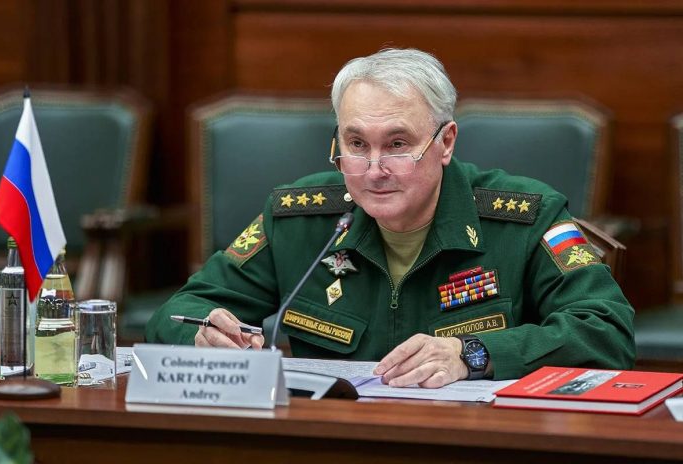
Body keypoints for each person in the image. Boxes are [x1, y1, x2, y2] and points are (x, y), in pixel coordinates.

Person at [146, 48, 635, 387]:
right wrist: (203, 336)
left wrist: (473, 354)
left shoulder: (526, 217)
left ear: (445, 142)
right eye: (356, 144)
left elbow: (605, 333)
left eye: (398, 144)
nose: (374, 169)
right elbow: (176, 313)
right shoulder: (299, 218)